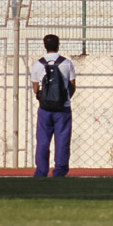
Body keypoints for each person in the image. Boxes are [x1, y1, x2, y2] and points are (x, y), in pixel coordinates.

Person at [30, 34, 76, 177]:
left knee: (43, 139)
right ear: (58, 45)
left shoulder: (38, 64)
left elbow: (36, 89)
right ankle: (60, 171)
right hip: (63, 108)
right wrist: (63, 99)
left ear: (44, 45)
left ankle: (41, 171)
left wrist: (45, 100)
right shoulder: (67, 63)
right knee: (62, 139)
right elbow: (72, 86)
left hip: (44, 108)